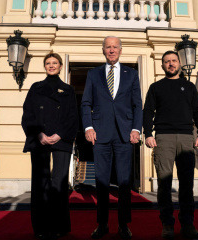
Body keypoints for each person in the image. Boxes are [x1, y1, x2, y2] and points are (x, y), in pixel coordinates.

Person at [81, 36, 142, 239]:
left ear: (121, 50)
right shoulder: (93, 74)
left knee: (124, 182)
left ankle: (124, 224)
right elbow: (85, 103)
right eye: (108, 47)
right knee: (101, 182)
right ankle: (103, 224)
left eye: (115, 47)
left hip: (125, 134)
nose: (112, 50)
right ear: (103, 50)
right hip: (100, 134)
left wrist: (136, 129)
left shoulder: (131, 74)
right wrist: (88, 126)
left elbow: (137, 105)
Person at [143, 50, 198, 239]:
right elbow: (147, 112)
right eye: (167, 61)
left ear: (179, 63)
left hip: (187, 138)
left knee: (187, 184)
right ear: (162, 66)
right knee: (164, 183)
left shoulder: (189, 86)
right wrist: (148, 134)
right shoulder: (156, 87)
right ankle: (167, 224)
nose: (171, 64)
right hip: (163, 138)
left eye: (174, 61)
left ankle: (188, 224)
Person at [22, 52, 79, 240]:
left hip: (61, 140)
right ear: (44, 66)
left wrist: (60, 134)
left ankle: (58, 227)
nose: (51, 65)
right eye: (48, 63)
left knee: (59, 184)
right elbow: (28, 115)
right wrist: (39, 134)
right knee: (40, 184)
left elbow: (73, 116)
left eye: (55, 63)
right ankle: (40, 227)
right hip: (39, 140)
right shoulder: (36, 88)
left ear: (61, 66)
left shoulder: (68, 90)